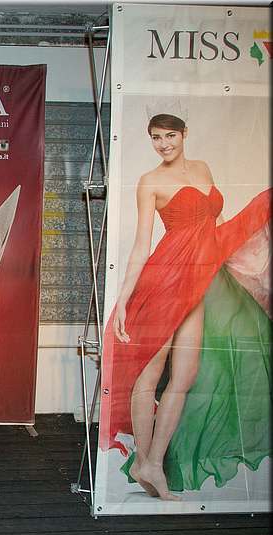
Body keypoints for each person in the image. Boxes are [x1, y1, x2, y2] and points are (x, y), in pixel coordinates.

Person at [100, 113, 270, 500]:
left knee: (186, 375)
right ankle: (146, 460)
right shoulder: (150, 181)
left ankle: (151, 462)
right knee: (150, 373)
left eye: (170, 136)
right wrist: (124, 298)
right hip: (165, 279)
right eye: (156, 137)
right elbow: (142, 245)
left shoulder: (203, 168)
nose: (163, 144)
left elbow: (217, 224)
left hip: (198, 279)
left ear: (184, 134)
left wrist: (238, 260)